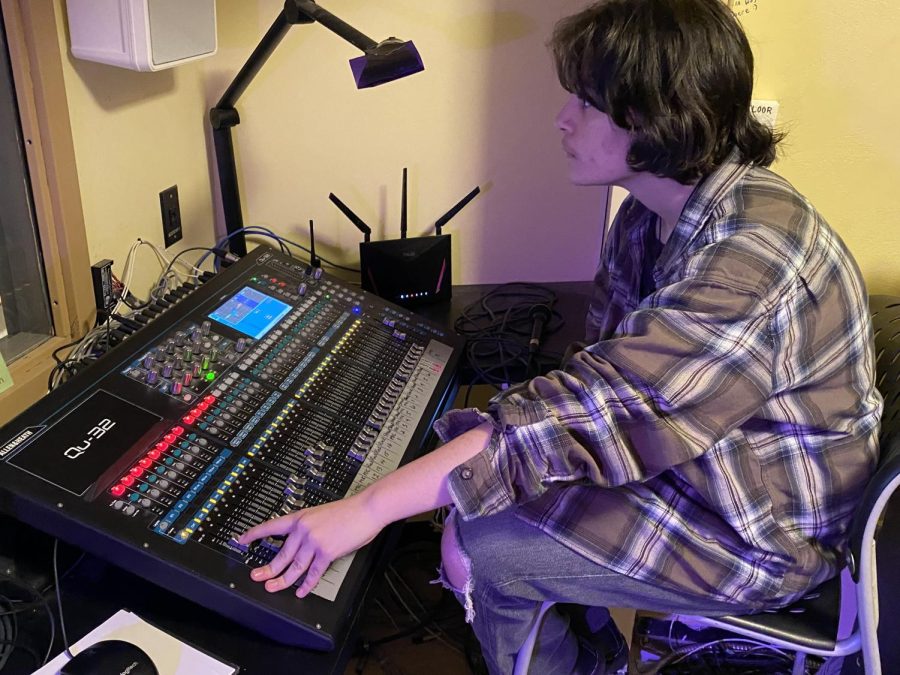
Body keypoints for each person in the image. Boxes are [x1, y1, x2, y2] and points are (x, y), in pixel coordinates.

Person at [238, 0, 883, 672]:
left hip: (759, 532)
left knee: (482, 547)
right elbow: (594, 387)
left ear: (660, 115)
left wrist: (369, 507)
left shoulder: (750, 263)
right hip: (705, 470)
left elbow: (591, 412)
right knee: (486, 505)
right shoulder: (645, 217)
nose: (563, 119)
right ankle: (589, 648)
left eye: (587, 101)